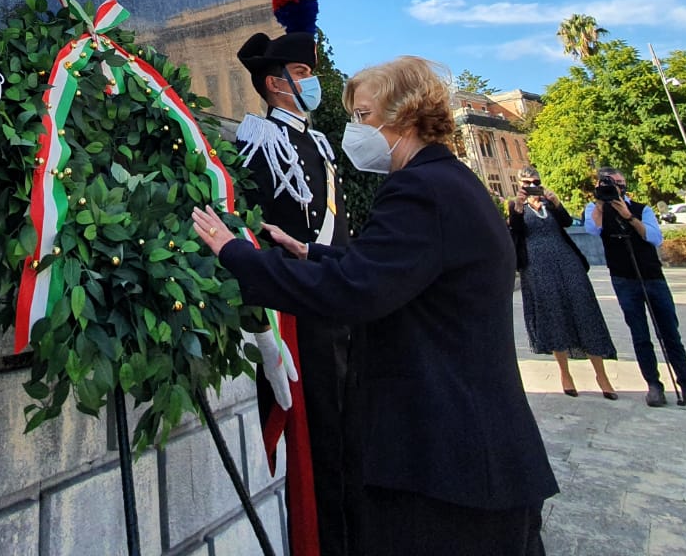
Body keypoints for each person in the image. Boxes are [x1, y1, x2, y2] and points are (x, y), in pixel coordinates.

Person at [192, 57, 557, 556]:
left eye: (363, 115)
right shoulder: (450, 180)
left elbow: (355, 290)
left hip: (445, 466)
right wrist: (312, 252)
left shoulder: (420, 189)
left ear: (404, 116)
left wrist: (237, 255)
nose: (356, 130)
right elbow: (397, 269)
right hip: (475, 454)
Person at [233, 0, 351, 556]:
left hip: (337, 299)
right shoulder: (261, 140)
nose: (312, 82)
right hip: (297, 310)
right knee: (314, 434)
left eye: (310, 71)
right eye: (302, 73)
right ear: (275, 84)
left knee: (345, 429)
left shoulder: (319, 142)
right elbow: (255, 224)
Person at [585, 168, 686, 410]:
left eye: (619, 182)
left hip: (651, 275)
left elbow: (654, 237)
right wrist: (601, 203)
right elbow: (593, 230)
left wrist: (629, 216)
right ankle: (653, 385)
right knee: (640, 334)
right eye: (610, 183)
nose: (616, 187)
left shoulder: (641, 209)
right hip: (623, 278)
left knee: (670, 333)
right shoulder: (596, 209)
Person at [508, 168, 618, 399]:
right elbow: (516, 231)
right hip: (536, 265)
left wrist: (557, 203)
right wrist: (518, 207)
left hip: (565, 260)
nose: (532, 186)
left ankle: (601, 375)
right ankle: (565, 373)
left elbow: (567, 222)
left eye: (535, 181)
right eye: (527, 182)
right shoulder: (516, 206)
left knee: (584, 311)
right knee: (553, 315)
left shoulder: (549, 203)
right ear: (519, 184)